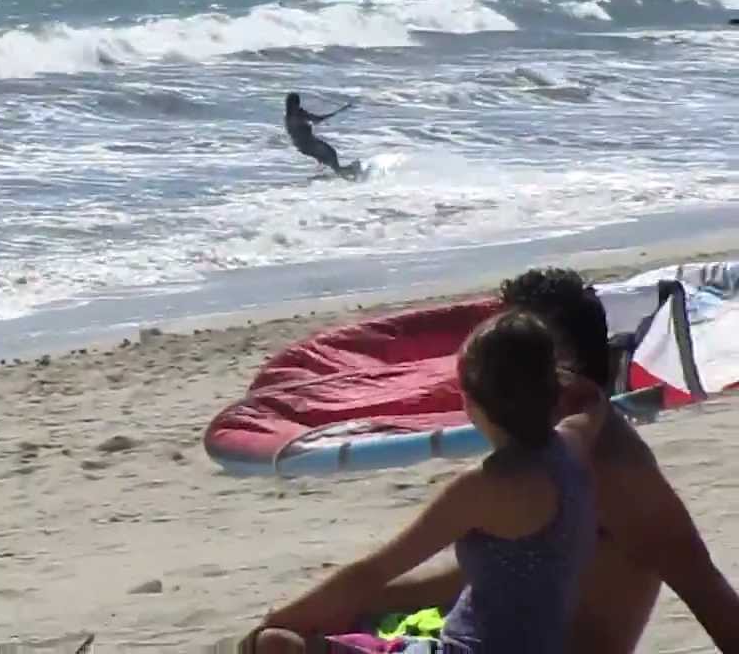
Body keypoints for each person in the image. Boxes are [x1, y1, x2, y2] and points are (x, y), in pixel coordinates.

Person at [250, 268, 739, 652]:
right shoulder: (557, 449)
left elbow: (707, 592)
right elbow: (499, 572)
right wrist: (360, 598)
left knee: (278, 644)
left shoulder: (618, 473)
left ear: (564, 377)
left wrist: (339, 599)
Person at [246, 309, 608, 653]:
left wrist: (279, 619)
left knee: (274, 644)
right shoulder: (572, 444)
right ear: (551, 388)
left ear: (469, 403)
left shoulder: (483, 487)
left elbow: (373, 571)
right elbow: (594, 402)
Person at [284, 92, 354, 175]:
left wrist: (335, 113)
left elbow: (316, 119)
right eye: (296, 104)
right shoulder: (293, 117)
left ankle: (338, 173)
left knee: (331, 154)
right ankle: (347, 174)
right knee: (330, 154)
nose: (297, 106)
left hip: (306, 144)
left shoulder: (296, 114)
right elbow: (308, 121)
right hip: (306, 145)